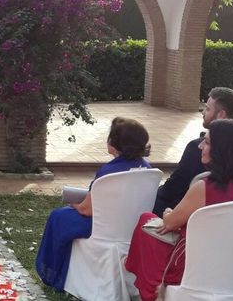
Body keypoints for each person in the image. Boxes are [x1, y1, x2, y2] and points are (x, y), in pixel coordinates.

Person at [125, 119, 233, 301]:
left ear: (223, 150)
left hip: (195, 272)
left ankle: (146, 291)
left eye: (207, 142)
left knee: (146, 220)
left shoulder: (205, 188)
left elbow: (170, 223)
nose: (200, 146)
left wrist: (168, 212)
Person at [36, 117, 152, 291]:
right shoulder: (148, 169)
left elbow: (86, 210)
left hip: (102, 227)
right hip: (131, 225)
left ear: (115, 143)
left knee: (58, 217)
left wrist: (74, 203)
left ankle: (52, 272)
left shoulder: (108, 172)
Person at [152, 86, 233, 215]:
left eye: (208, 109)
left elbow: (173, 189)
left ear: (221, 115)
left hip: (194, 214)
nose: (203, 112)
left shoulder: (197, 148)